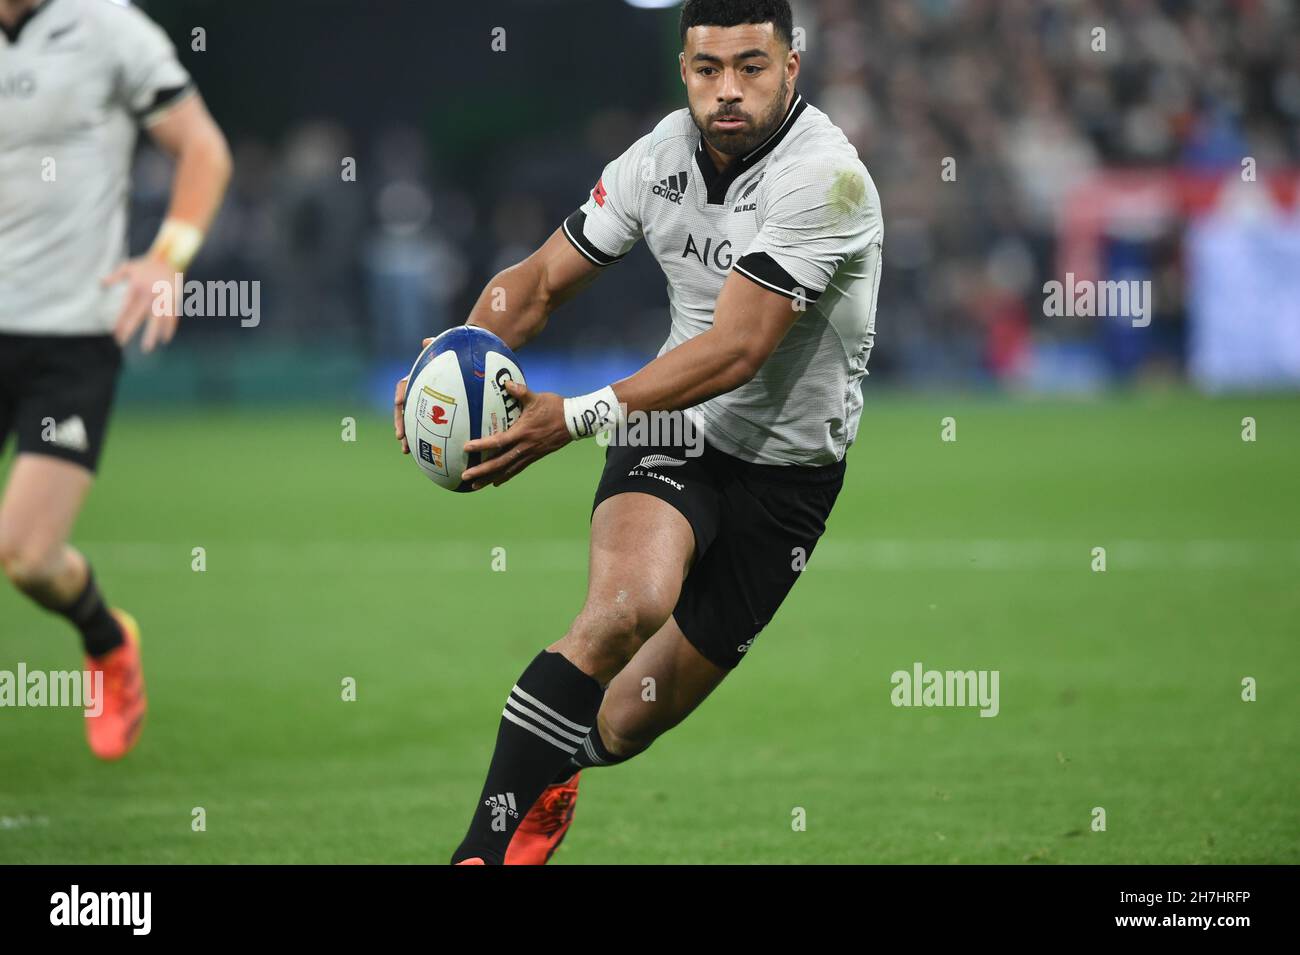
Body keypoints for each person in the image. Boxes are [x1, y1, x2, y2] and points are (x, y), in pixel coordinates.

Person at [393, 0, 882, 864]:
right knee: (624, 609)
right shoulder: (657, 158)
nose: (727, 90)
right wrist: (457, 356)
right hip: (674, 426)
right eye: (707, 69)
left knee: (623, 720)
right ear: (684, 70)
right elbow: (540, 282)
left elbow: (737, 348)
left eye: (751, 67)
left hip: (791, 479)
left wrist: (574, 416)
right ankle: (479, 852)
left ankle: (557, 768)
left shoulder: (827, 179)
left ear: (791, 69)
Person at [0, 0, 231, 759]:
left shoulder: (107, 26)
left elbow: (203, 149)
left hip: (70, 337)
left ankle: (107, 640)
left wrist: (167, 256)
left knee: (27, 556)